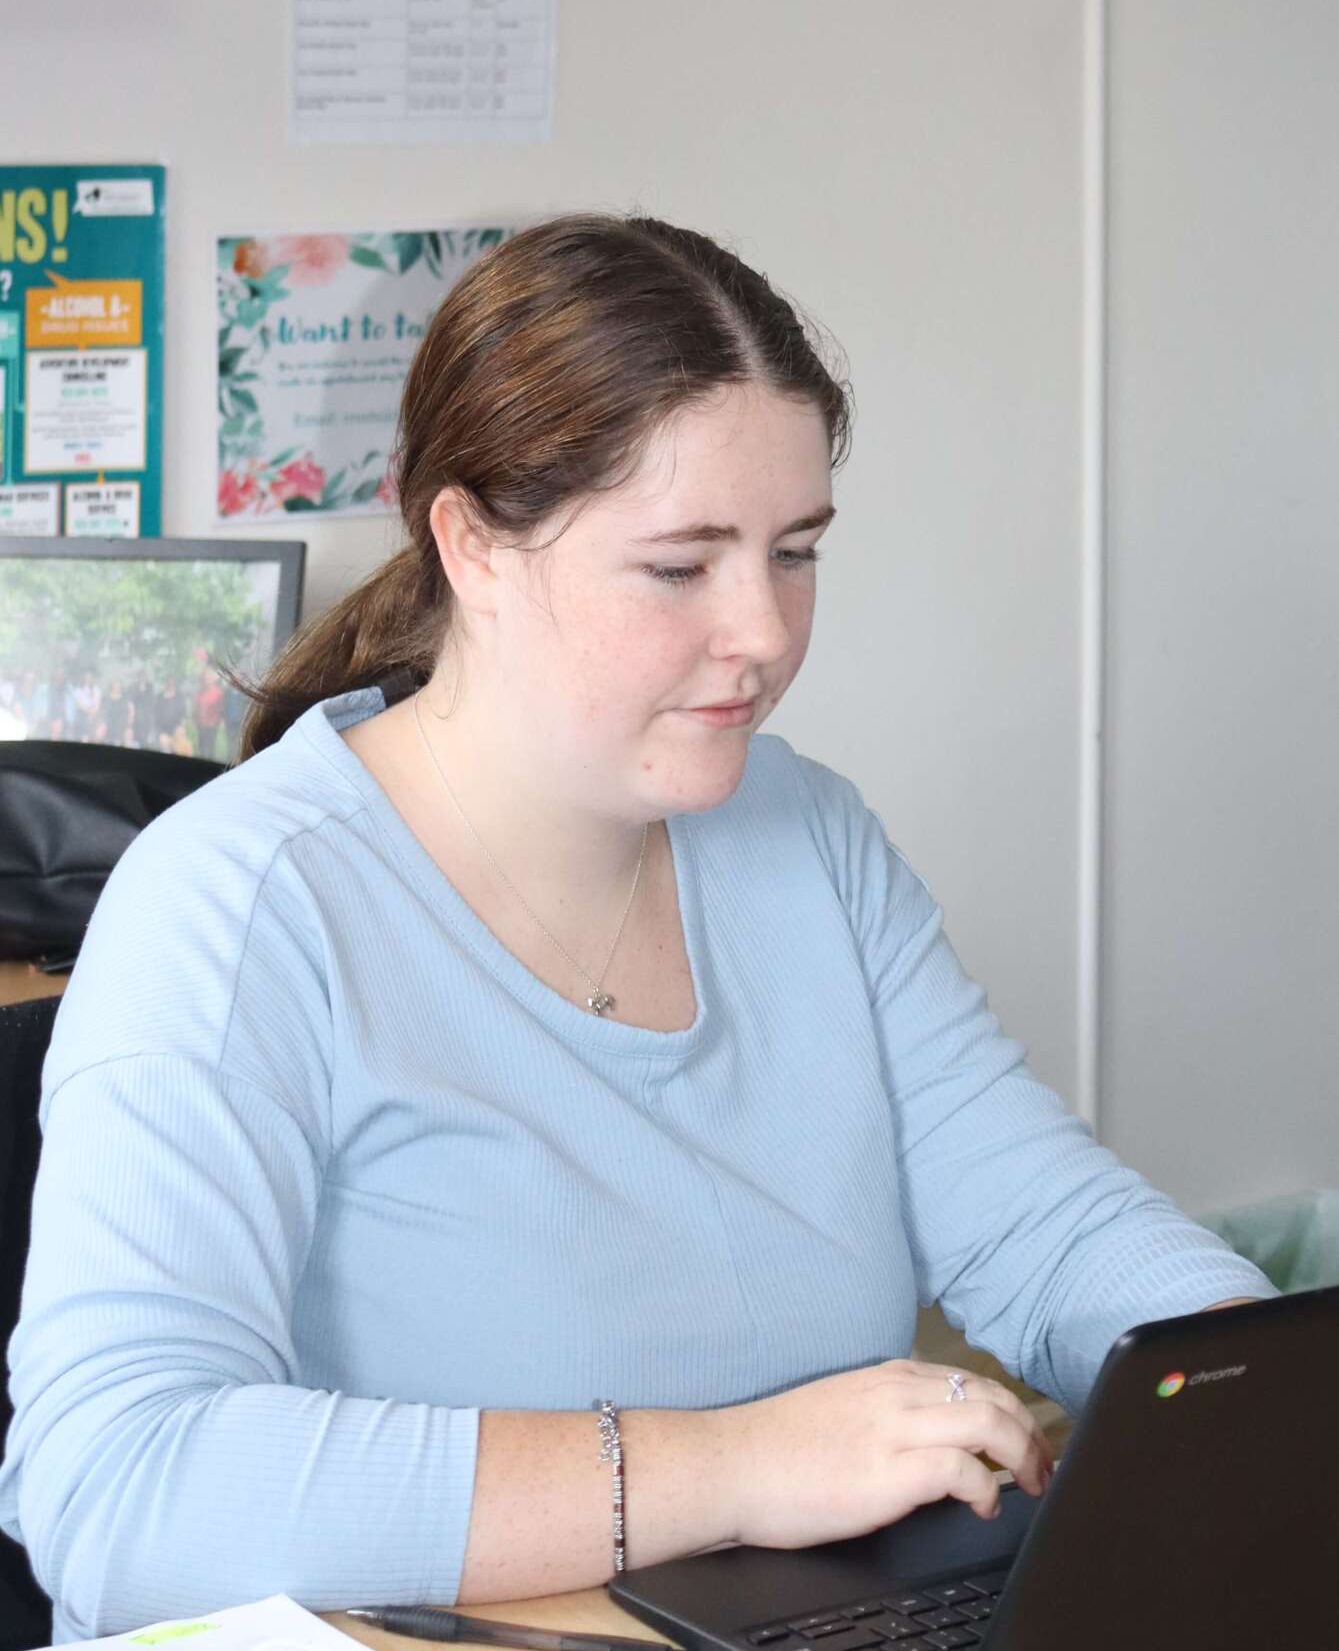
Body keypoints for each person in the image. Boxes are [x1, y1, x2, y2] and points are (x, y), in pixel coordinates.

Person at [0, 216, 1269, 1640]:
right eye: (682, 566)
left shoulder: (809, 838)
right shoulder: (238, 906)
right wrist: (733, 1467)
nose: (766, 632)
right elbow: (119, 1490)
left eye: (795, 551)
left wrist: (1285, 1394)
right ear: (472, 543)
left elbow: (1046, 1229)